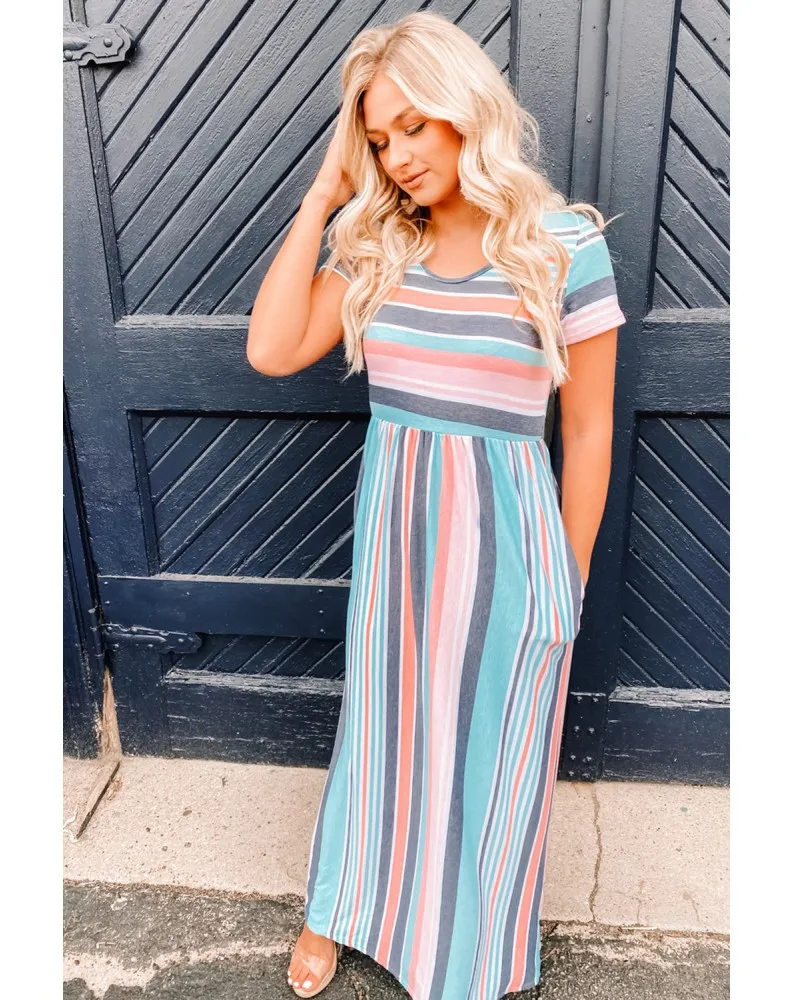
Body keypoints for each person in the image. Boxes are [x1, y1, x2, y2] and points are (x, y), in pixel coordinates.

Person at [246, 11, 626, 1000]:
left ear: (465, 110)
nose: (398, 155)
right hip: (398, 544)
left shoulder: (563, 246)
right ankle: (338, 908)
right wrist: (324, 194)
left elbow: (588, 430)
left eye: (413, 126)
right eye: (379, 139)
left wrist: (567, 581)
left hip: (511, 551)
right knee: (380, 735)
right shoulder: (379, 245)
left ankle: (467, 953)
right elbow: (272, 349)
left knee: (492, 758)